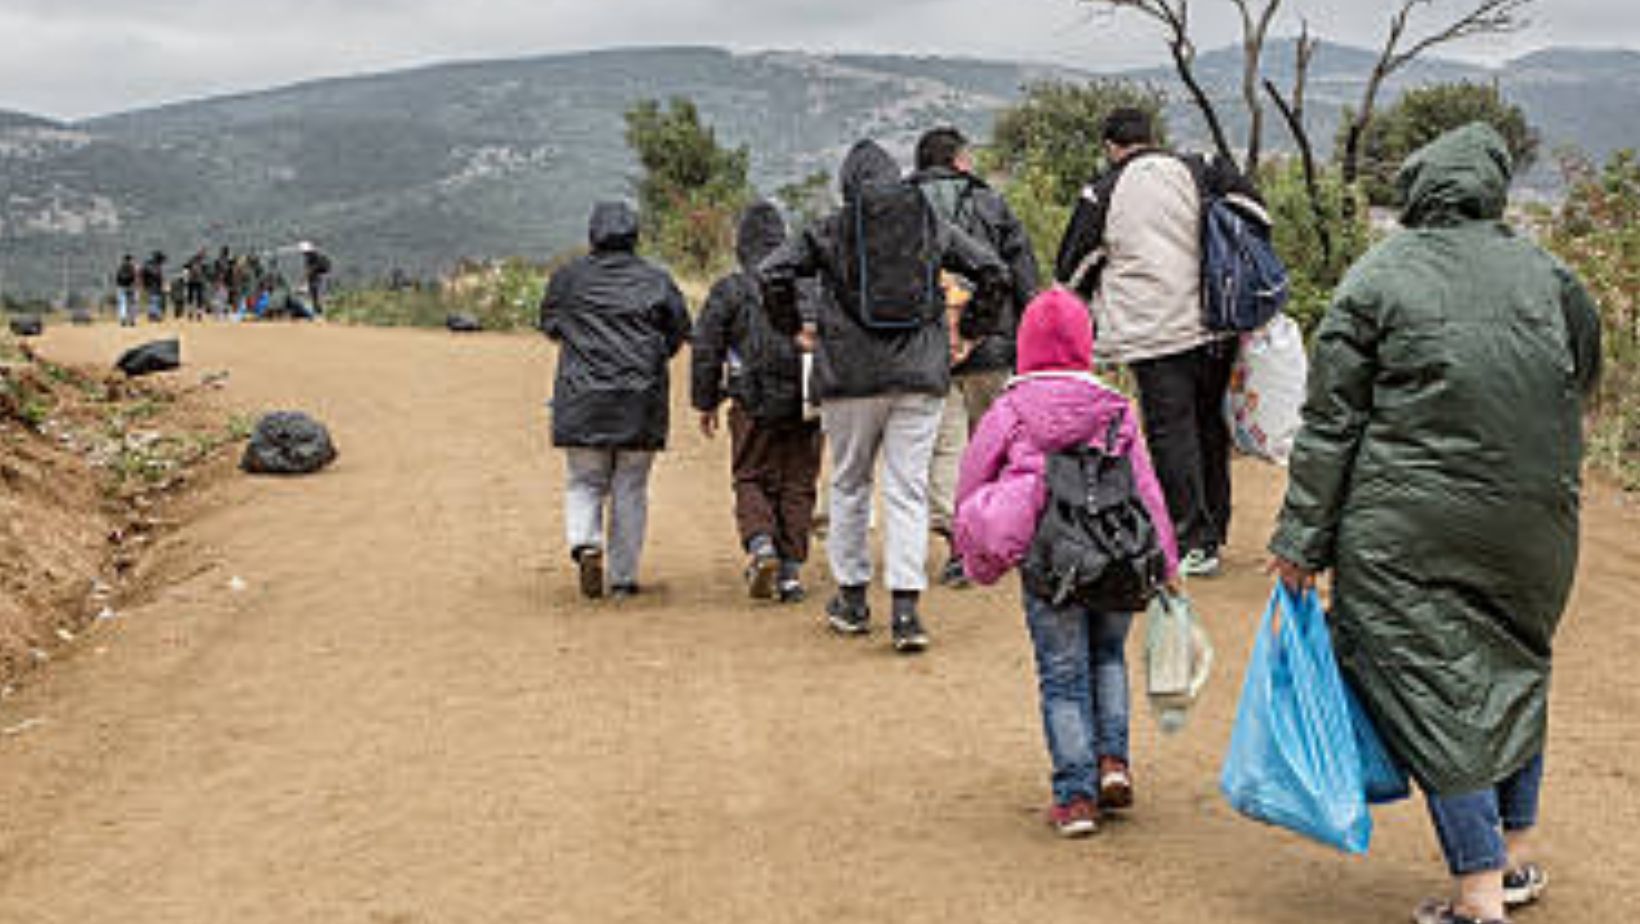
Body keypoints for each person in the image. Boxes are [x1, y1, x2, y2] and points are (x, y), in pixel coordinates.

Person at [1266, 124, 1602, 924]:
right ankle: (1513, 859)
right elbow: (1580, 379)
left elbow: (1330, 425)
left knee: (1434, 686)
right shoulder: (1549, 275)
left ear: (1419, 190)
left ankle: (1478, 895)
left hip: (1404, 530)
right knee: (1515, 666)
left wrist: (1300, 540)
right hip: (1536, 524)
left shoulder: (1377, 277)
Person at [757, 138, 1009, 654]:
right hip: (919, 375)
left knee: (850, 484)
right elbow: (993, 271)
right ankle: (906, 612)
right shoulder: (927, 224)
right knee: (908, 489)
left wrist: (795, 328)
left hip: (847, 377)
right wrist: (971, 333)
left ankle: (852, 601)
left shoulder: (830, 228)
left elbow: (773, 271)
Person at [953, 289, 1179, 837]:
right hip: (1115, 558)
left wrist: (974, 548)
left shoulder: (1011, 409)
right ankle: (1113, 765)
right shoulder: (1116, 408)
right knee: (1108, 657)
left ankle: (1075, 796)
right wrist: (1166, 562)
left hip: (1050, 559)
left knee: (1061, 676)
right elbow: (1146, 487)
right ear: (1085, 345)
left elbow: (973, 476)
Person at [1054, 107, 1234, 578]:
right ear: (1152, 137)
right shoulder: (1200, 168)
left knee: (1171, 431)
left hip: (1154, 329)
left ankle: (1191, 537)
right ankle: (1216, 528)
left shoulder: (1106, 189)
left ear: (1111, 146)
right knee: (1208, 423)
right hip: (1217, 321)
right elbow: (1253, 215)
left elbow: (1071, 266)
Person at [540, 201, 690, 600]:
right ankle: (623, 577)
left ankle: (585, 542)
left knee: (584, 480)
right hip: (640, 399)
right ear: (635, 235)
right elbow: (679, 331)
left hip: (581, 397)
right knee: (631, 485)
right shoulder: (657, 280)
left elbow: (551, 325)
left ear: (593, 235)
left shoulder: (568, 278)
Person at [911, 126, 1040, 588]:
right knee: (994, 446)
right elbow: (1022, 275)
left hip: (925, 351)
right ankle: (996, 539)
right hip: (991, 347)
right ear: (960, 161)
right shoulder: (992, 205)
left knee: (942, 449)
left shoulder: (905, 209)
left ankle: (955, 546)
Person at [691, 201, 824, 604]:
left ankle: (761, 545)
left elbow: (706, 348)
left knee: (751, 475)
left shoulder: (730, 288)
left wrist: (707, 400)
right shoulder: (811, 285)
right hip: (805, 399)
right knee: (798, 481)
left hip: (753, 399)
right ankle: (790, 574)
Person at [300, 241, 331, 314]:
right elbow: (308, 270)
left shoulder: (315, 257)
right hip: (316, 278)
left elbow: (311, 270)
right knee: (314, 295)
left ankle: (320, 310)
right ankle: (317, 310)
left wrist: (305, 280)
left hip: (319, 277)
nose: (304, 254)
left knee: (318, 294)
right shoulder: (311, 257)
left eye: (305, 252)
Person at [139, 251, 167, 323]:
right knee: (155, 300)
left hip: (149, 286)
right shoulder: (155, 267)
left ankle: (152, 315)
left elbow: (142, 275)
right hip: (154, 286)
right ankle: (155, 316)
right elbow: (157, 277)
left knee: (153, 300)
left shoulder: (147, 265)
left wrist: (143, 285)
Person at [113, 254, 137, 326]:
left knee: (122, 303)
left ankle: (123, 318)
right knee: (132, 304)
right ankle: (132, 320)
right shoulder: (133, 268)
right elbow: (135, 278)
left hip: (121, 287)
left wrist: (118, 286)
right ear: (131, 260)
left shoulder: (120, 268)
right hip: (131, 287)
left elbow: (117, 278)